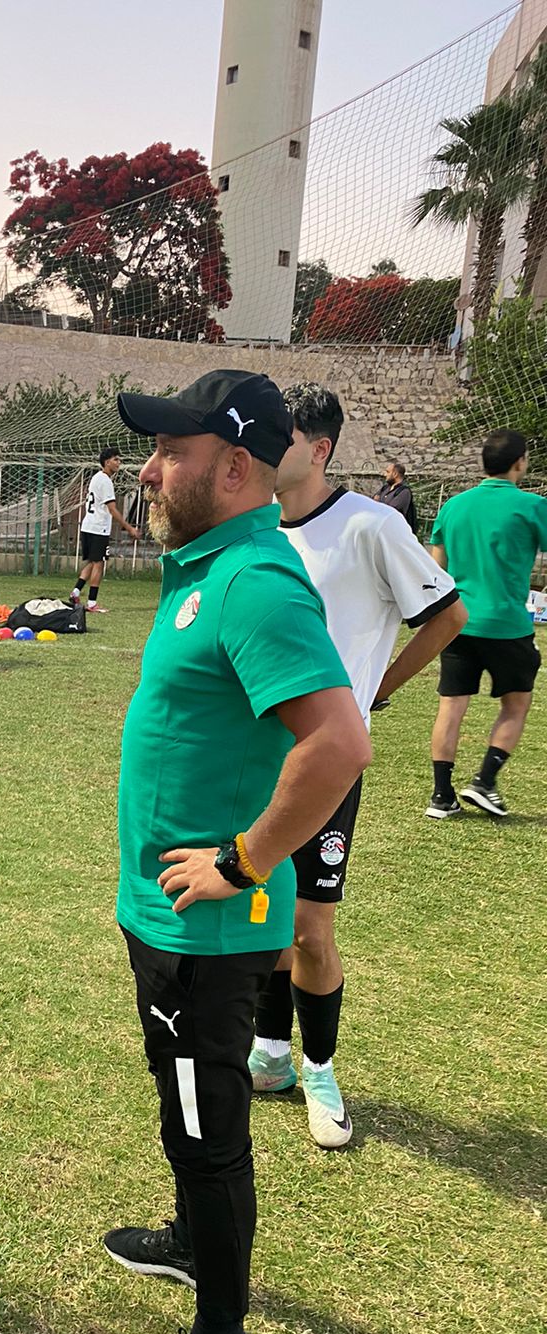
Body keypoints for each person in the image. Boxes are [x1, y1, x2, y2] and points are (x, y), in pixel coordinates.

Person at [102, 370, 371, 1334]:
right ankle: (189, 1237)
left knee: (208, 1124)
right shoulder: (208, 566)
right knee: (184, 1106)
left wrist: (245, 863)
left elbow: (338, 742)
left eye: (172, 451)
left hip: (210, 928)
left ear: (236, 467)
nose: (149, 469)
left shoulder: (256, 581)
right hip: (167, 916)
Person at [248, 385, 466, 1148]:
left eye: (280, 437)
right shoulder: (259, 527)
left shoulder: (371, 525)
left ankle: (318, 1069)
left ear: (319, 450)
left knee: (310, 927)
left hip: (327, 761)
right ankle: (270, 1054)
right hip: (260, 757)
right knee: (264, 908)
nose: (264, 448)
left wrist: (373, 691)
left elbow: (448, 615)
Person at [426, 429, 547, 819]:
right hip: (507, 624)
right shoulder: (533, 506)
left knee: (451, 707)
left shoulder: (454, 506)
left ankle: (441, 797)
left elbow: (436, 570)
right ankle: (484, 781)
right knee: (516, 705)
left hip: (458, 622)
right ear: (520, 462)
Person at [69, 448, 140, 613]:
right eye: (116, 459)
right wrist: (129, 528)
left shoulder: (96, 478)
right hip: (98, 528)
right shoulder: (105, 481)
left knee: (92, 562)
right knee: (99, 564)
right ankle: (92, 603)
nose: (119, 463)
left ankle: (75, 592)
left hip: (88, 525)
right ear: (107, 462)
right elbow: (112, 509)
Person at [375, 460, 418, 536]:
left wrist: (378, 505)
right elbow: (373, 501)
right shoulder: (385, 488)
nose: (385, 474)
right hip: (380, 530)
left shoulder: (404, 492)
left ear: (395, 474)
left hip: (394, 533)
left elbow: (390, 511)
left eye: (388, 472)